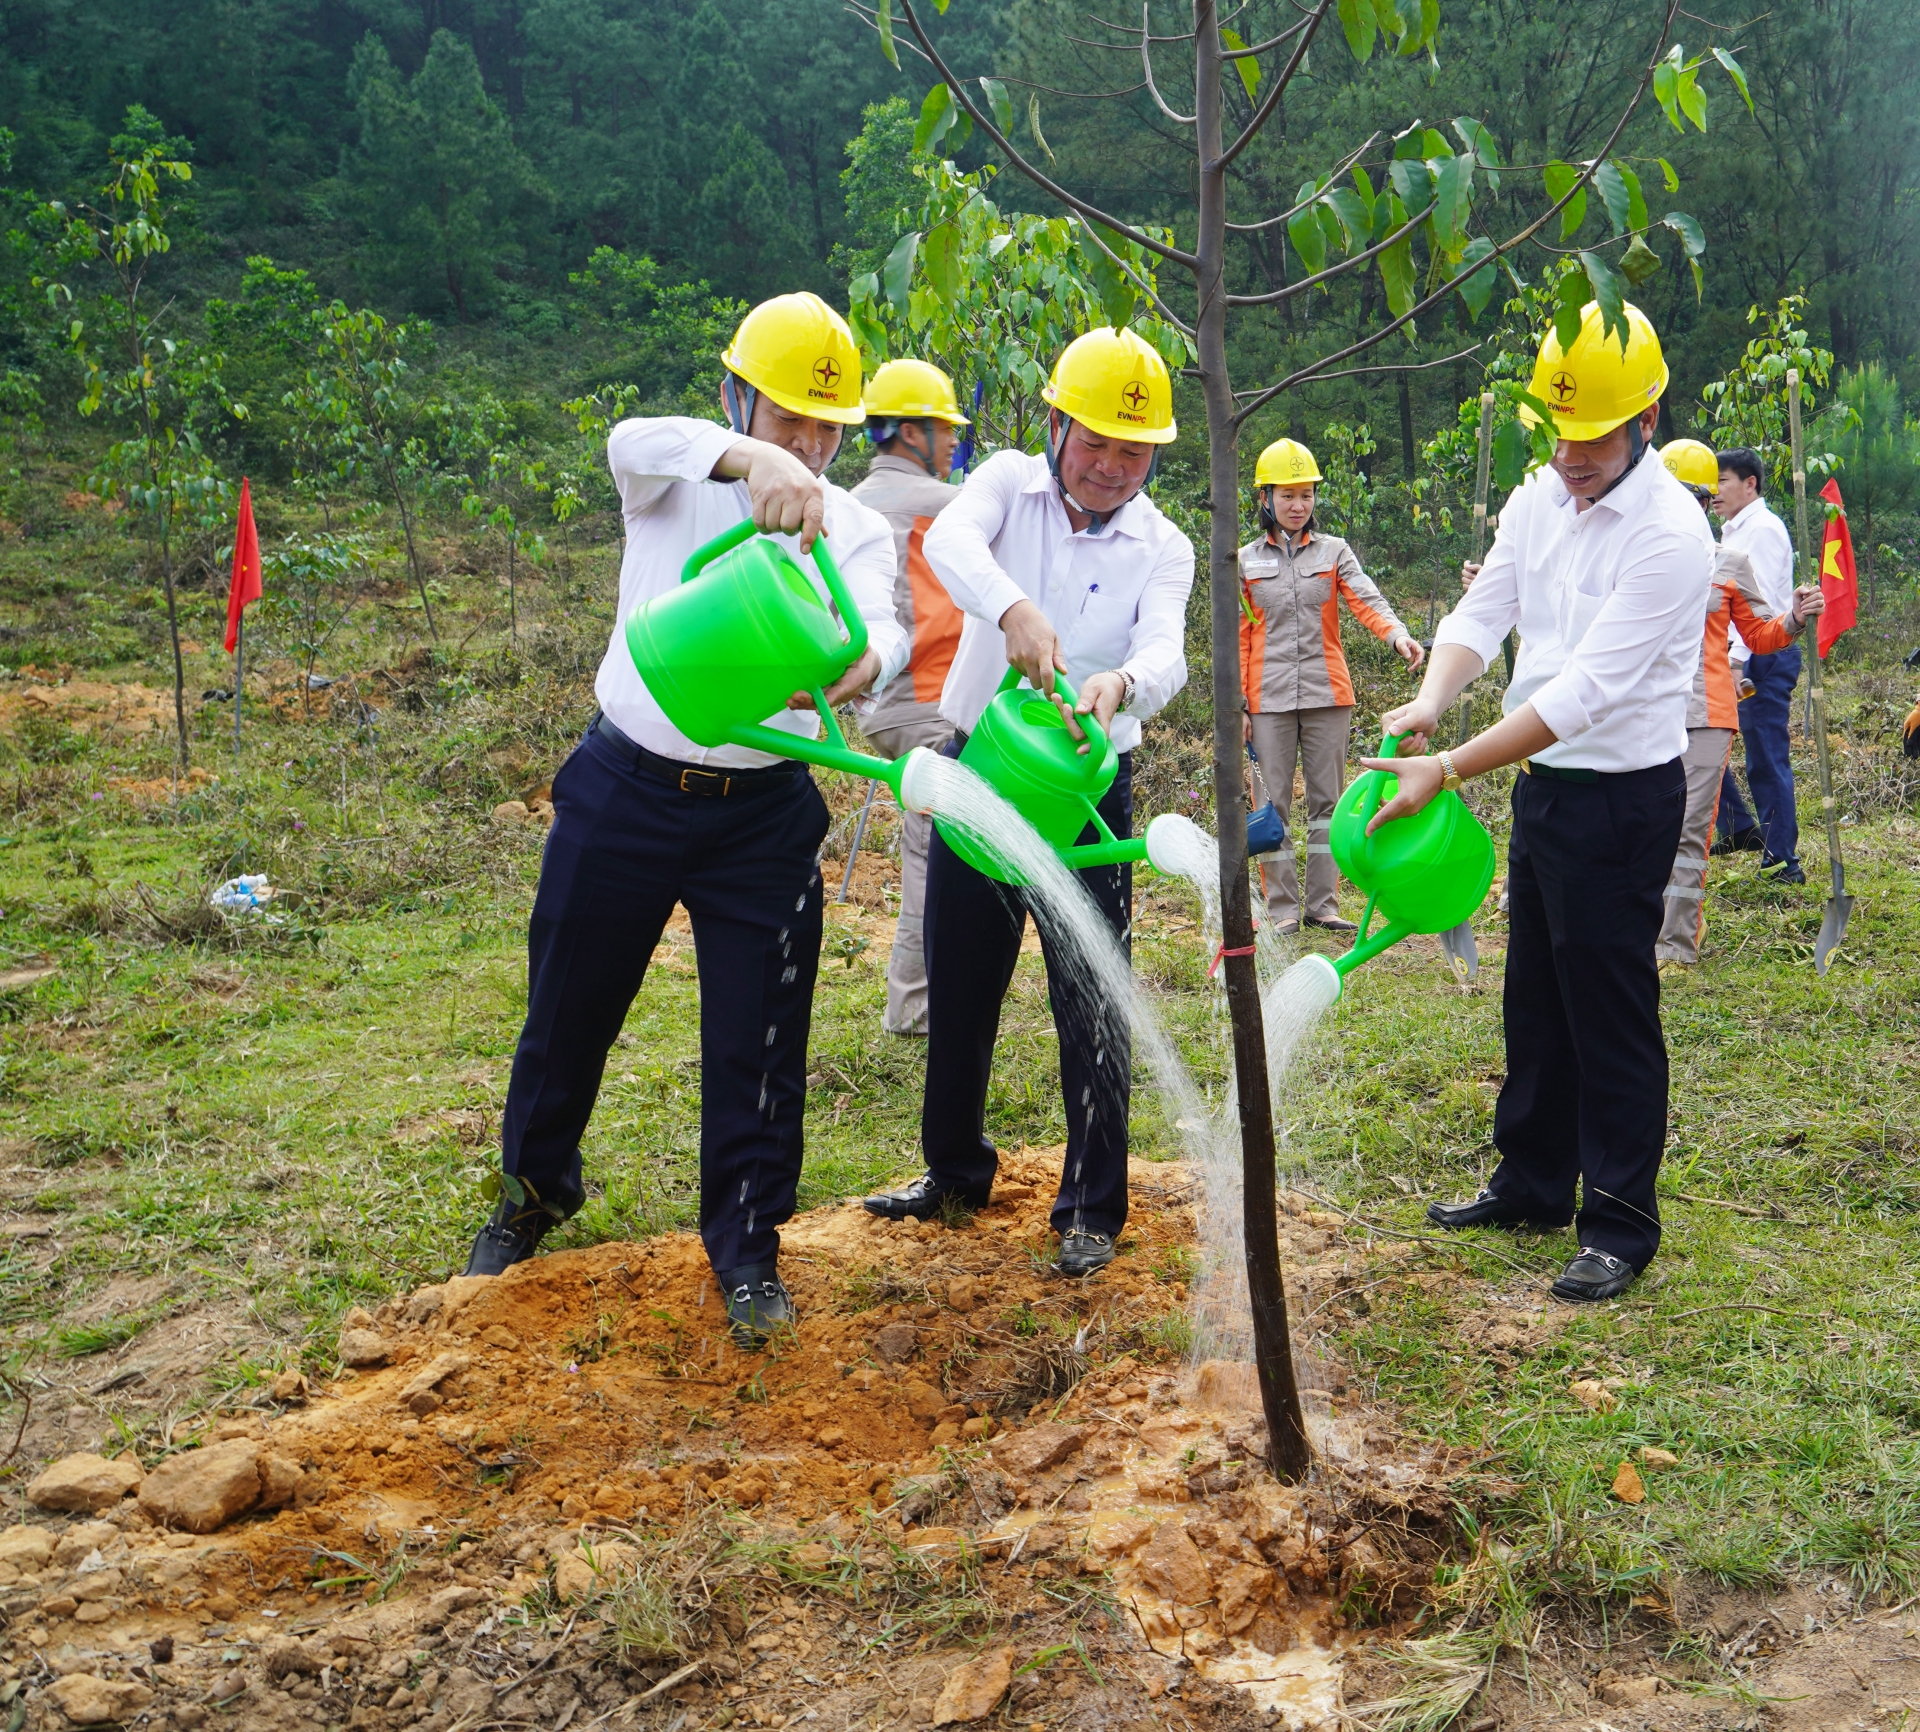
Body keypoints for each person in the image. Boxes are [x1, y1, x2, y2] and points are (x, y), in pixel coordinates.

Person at [462, 292, 908, 1349]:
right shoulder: (674, 475)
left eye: (826, 426)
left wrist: (866, 665)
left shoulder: (859, 523)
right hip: (623, 786)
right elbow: (633, 435)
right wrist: (752, 464)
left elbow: (882, 624)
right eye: (788, 418)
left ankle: (748, 1247)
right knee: (569, 1002)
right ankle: (533, 1192)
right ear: (736, 397)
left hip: (762, 814)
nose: (810, 442)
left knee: (761, 1032)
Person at [1381, 302, 1712, 1303]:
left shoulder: (1672, 534)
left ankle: (1619, 1218)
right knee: (1535, 990)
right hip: (1544, 789)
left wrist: (1452, 767)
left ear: (1645, 419)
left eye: (1595, 435)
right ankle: (1530, 1180)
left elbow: (1584, 694)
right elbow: (1488, 608)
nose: (1573, 454)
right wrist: (1433, 700)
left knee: (1607, 1003)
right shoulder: (1537, 497)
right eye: (1560, 432)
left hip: (1622, 797)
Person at [862, 327, 1194, 1278]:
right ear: (1055, 424)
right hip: (980, 767)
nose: (1109, 467)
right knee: (961, 977)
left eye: (1132, 452)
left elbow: (1167, 650)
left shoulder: (1161, 544)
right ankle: (954, 1172)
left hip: (1086, 789)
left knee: (1090, 990)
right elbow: (952, 541)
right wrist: (1013, 610)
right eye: (1093, 442)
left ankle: (1093, 1205)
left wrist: (1121, 686)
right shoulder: (1007, 481)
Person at [1237, 438, 1424, 933]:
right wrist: (1237, 705)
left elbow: (1366, 599)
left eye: (1306, 495)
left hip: (1328, 694)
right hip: (1266, 700)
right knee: (1270, 803)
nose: (1298, 506)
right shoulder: (1244, 561)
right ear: (1265, 498)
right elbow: (1236, 636)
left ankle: (1323, 905)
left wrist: (1397, 635)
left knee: (1328, 802)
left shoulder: (1334, 551)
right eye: (1288, 496)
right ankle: (1280, 911)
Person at [1655, 439, 1823, 966]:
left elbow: (1760, 631)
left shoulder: (1729, 562)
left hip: (1706, 712)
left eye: (1695, 495)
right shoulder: (1629, 556)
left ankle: (1673, 948)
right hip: (1642, 712)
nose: (1685, 503)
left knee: (1688, 830)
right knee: (1640, 824)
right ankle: (1627, 932)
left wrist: (1794, 617)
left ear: (1705, 503)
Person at [849, 359, 970, 1035]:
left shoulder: (852, 502)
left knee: (928, 843)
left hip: (883, 706)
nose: (953, 441)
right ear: (908, 432)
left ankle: (917, 1000)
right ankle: (918, 1007)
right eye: (942, 428)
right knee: (938, 849)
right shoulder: (943, 507)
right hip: (927, 702)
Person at [1711, 447, 1803, 879]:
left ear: (1750, 484)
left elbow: (1757, 609)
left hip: (1761, 655)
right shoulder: (1730, 532)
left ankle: (1783, 858)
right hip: (1733, 655)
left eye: (1723, 481)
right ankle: (1737, 825)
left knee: (1765, 755)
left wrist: (1736, 661)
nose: (1715, 492)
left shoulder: (1762, 529)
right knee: (1703, 742)